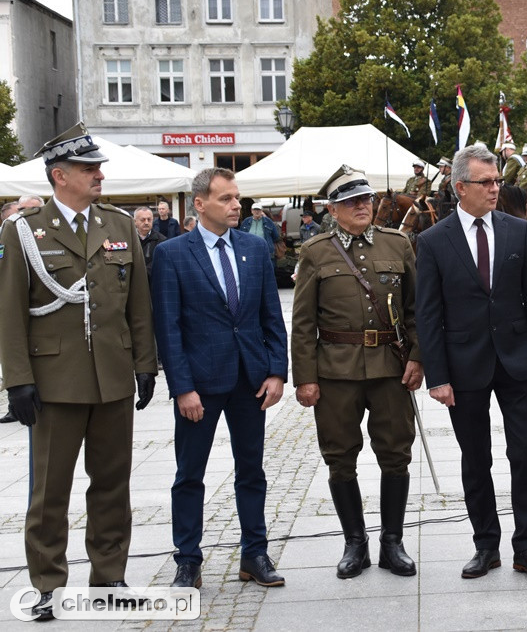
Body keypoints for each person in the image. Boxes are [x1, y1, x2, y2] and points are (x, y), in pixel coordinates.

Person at [0, 124, 157, 621]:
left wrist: (145, 366)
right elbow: (9, 312)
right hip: (54, 382)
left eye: (99, 168)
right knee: (50, 489)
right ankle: (47, 583)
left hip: (111, 376)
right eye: (89, 169)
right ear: (59, 175)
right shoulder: (24, 230)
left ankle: (109, 575)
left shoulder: (118, 224)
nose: (99, 176)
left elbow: (138, 305)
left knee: (112, 482)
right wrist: (16, 379)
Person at [415, 144, 527, 579]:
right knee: (476, 459)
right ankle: (486, 546)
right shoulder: (433, 241)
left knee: (525, 453)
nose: (496, 189)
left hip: (516, 361)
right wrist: (437, 376)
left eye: (497, 181)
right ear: (461, 187)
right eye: (486, 182)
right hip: (464, 366)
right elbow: (429, 313)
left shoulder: (516, 230)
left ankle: (526, 547)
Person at [151, 167, 289, 589]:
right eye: (226, 198)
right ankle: (188, 560)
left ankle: (255, 554)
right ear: (200, 203)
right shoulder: (173, 254)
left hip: (250, 380)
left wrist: (277, 372)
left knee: (252, 470)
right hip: (200, 385)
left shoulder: (253, 248)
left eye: (237, 198)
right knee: (190, 474)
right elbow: (167, 327)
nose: (236, 206)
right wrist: (182, 388)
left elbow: (271, 317)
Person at [292, 168, 423, 579]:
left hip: (390, 368)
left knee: (396, 454)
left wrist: (419, 357)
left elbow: (418, 309)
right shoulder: (316, 251)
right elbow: (302, 323)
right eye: (351, 201)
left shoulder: (397, 244)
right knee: (340, 457)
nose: (362, 206)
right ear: (333, 210)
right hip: (335, 371)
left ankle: (392, 543)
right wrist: (305, 378)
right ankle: (355, 543)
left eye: (365, 198)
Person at [0, 195, 45, 425]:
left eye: (34, 209)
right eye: (23, 209)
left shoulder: (46, 239)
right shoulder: (10, 234)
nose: (28, 214)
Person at [134, 206, 167, 276]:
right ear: (135, 222)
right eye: (143, 220)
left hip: (153, 282)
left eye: (149, 219)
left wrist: (142, 273)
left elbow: (160, 263)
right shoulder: (128, 239)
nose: (146, 222)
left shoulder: (162, 241)